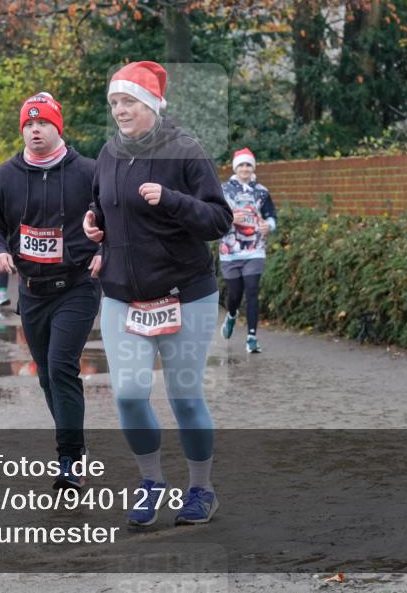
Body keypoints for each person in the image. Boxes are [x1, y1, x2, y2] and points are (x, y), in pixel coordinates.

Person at [84, 61, 233, 526]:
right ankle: (151, 481)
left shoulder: (185, 150)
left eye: (127, 101)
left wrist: (171, 199)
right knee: (128, 394)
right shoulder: (108, 153)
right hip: (123, 296)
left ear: (150, 103)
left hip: (184, 294)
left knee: (185, 396)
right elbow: (104, 204)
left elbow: (218, 219)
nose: (119, 110)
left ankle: (201, 489)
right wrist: (95, 225)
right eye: (114, 103)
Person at [0, 92, 101, 490]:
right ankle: (75, 448)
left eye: (43, 123)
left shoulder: (88, 172)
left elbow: (116, 216)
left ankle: (69, 460)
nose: (35, 129)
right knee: (47, 375)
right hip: (32, 291)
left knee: (63, 366)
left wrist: (106, 250)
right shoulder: (4, 176)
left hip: (77, 286)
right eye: (29, 124)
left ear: (57, 128)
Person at [219, 147, 277, 353]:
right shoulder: (224, 190)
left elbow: (271, 216)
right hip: (230, 250)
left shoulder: (262, 191)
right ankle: (232, 314)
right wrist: (229, 218)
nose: (245, 168)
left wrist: (268, 225)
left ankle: (252, 337)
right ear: (236, 168)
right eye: (241, 165)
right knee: (234, 294)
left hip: (255, 249)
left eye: (248, 165)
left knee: (252, 290)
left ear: (253, 168)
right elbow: (214, 216)